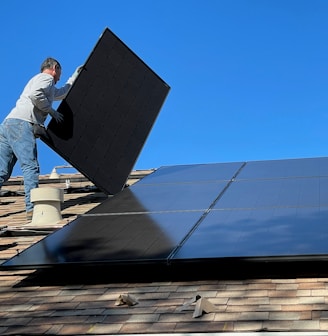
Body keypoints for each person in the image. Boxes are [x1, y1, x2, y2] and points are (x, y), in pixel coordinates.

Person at [0, 57, 81, 220]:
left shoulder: (45, 83)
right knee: (30, 166)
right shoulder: (46, 78)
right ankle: (32, 209)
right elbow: (35, 94)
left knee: (2, 171)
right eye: (59, 73)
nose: (59, 77)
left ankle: (31, 206)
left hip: (9, 124)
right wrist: (50, 111)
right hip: (22, 124)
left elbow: (61, 93)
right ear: (54, 68)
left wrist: (74, 77)